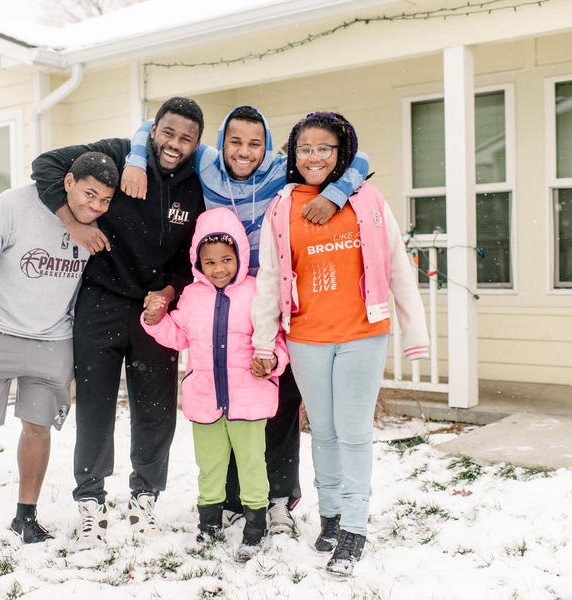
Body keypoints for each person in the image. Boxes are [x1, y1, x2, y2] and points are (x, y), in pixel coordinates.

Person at [120, 105, 370, 534]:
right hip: (220, 292)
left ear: (268, 148)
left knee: (278, 403)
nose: (244, 151)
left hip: (271, 296)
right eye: (235, 141)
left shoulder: (281, 168)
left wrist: (333, 194)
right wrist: (135, 159)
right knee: (229, 404)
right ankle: (235, 499)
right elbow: (149, 126)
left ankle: (277, 499)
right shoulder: (206, 161)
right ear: (220, 143)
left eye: (255, 143)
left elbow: (358, 160)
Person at [251, 112, 429, 577]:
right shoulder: (282, 205)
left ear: (341, 152)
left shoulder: (367, 200)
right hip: (306, 336)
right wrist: (264, 339)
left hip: (362, 334)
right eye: (305, 148)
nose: (313, 157)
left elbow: (397, 268)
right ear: (294, 154)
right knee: (324, 431)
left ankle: (354, 526)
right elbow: (270, 277)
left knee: (353, 432)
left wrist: (417, 333)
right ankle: (329, 514)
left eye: (324, 148)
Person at [30, 97, 205, 550]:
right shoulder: (116, 153)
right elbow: (46, 165)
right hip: (102, 301)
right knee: (95, 405)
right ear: (151, 129)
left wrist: (168, 294)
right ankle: (90, 503)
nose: (174, 144)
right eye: (168, 132)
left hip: (156, 310)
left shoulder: (198, 184)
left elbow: (191, 260)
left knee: (156, 409)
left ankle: (145, 498)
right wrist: (73, 224)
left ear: (197, 144)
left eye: (187, 137)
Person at [0, 152, 118, 568]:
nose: (94, 206)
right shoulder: (12, 206)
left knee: (39, 428)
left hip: (51, 340)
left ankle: (26, 516)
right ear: (69, 181)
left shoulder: (96, 225)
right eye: (89, 194)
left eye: (104, 200)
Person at [141, 207, 289, 562]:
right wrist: (154, 320)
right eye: (209, 262)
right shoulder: (192, 297)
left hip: (249, 397)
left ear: (241, 254)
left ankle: (256, 524)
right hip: (205, 398)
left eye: (226, 259)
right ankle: (209, 523)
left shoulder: (257, 293)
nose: (219, 268)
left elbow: (277, 339)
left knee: (252, 462)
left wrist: (270, 361)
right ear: (197, 262)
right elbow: (178, 336)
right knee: (210, 465)